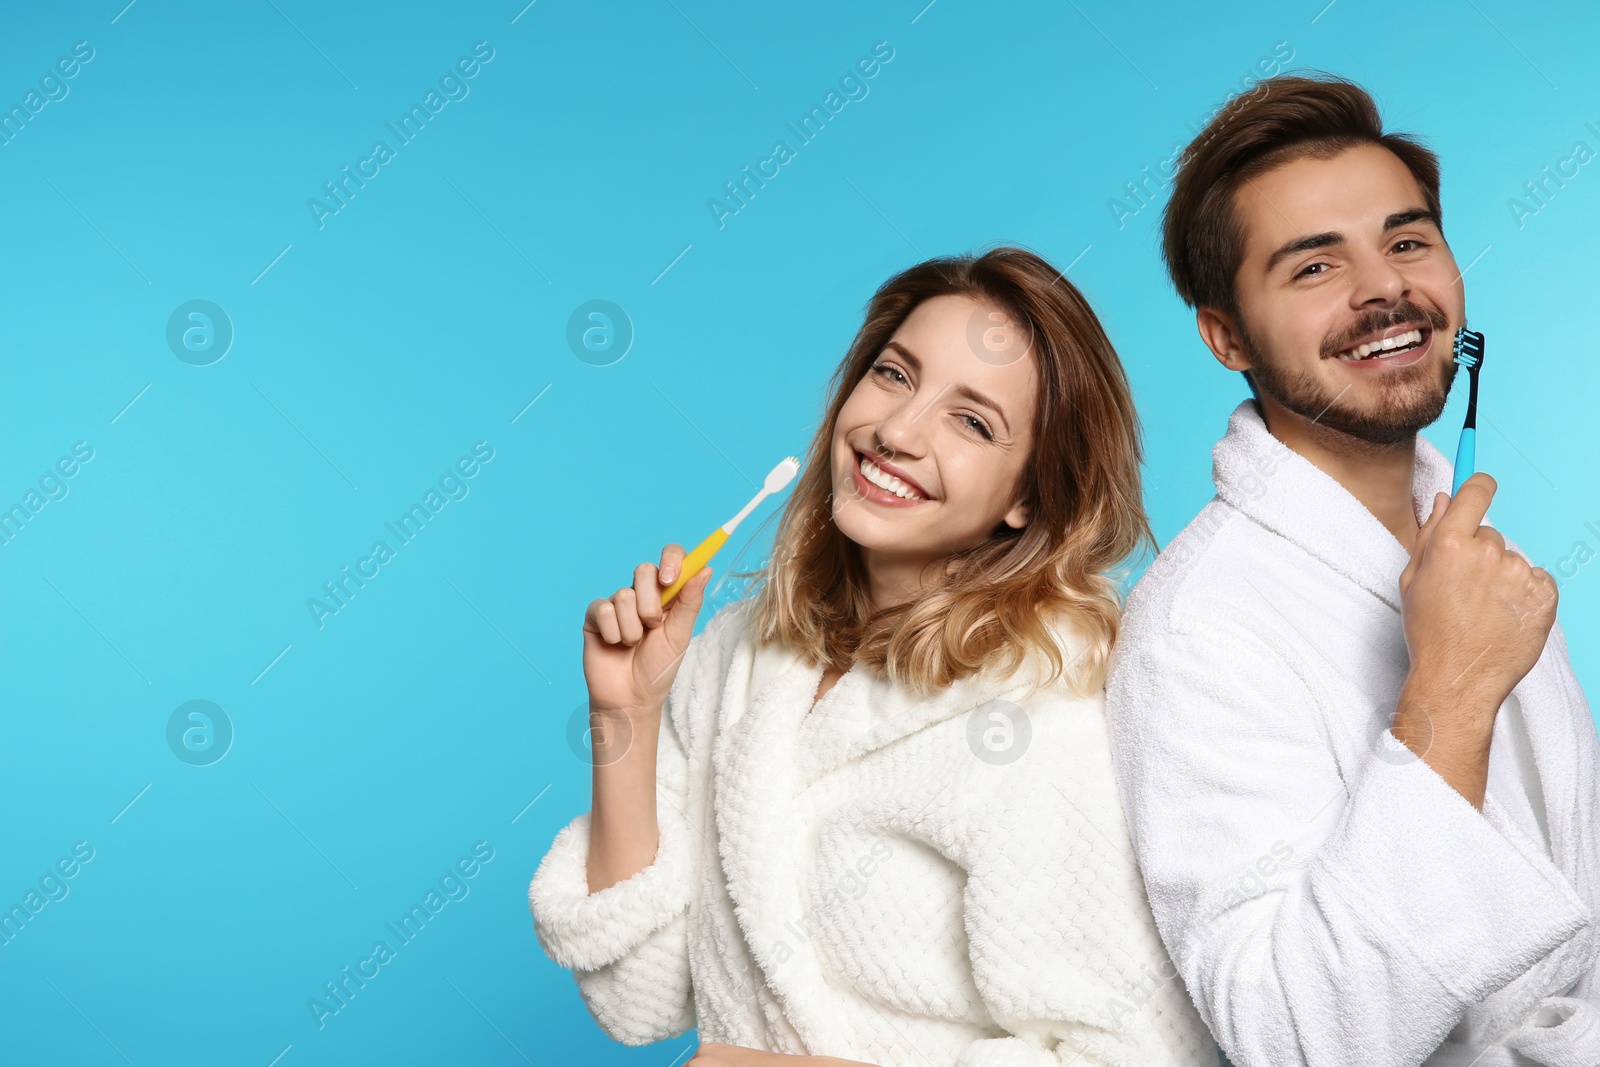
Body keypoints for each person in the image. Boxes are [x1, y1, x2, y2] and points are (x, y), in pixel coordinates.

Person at [528, 247, 1217, 1066]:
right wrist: (627, 715)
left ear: (1030, 495)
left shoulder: (1045, 717)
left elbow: (1138, 1052)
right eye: (894, 374)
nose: (895, 431)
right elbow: (636, 996)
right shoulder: (738, 656)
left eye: (972, 421)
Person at [1104, 72, 1600, 1067]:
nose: (1384, 288)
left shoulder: (1463, 550)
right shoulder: (1193, 631)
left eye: (1406, 241)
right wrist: (1448, 691)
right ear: (1225, 334)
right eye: (1312, 267)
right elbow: (1294, 1037)